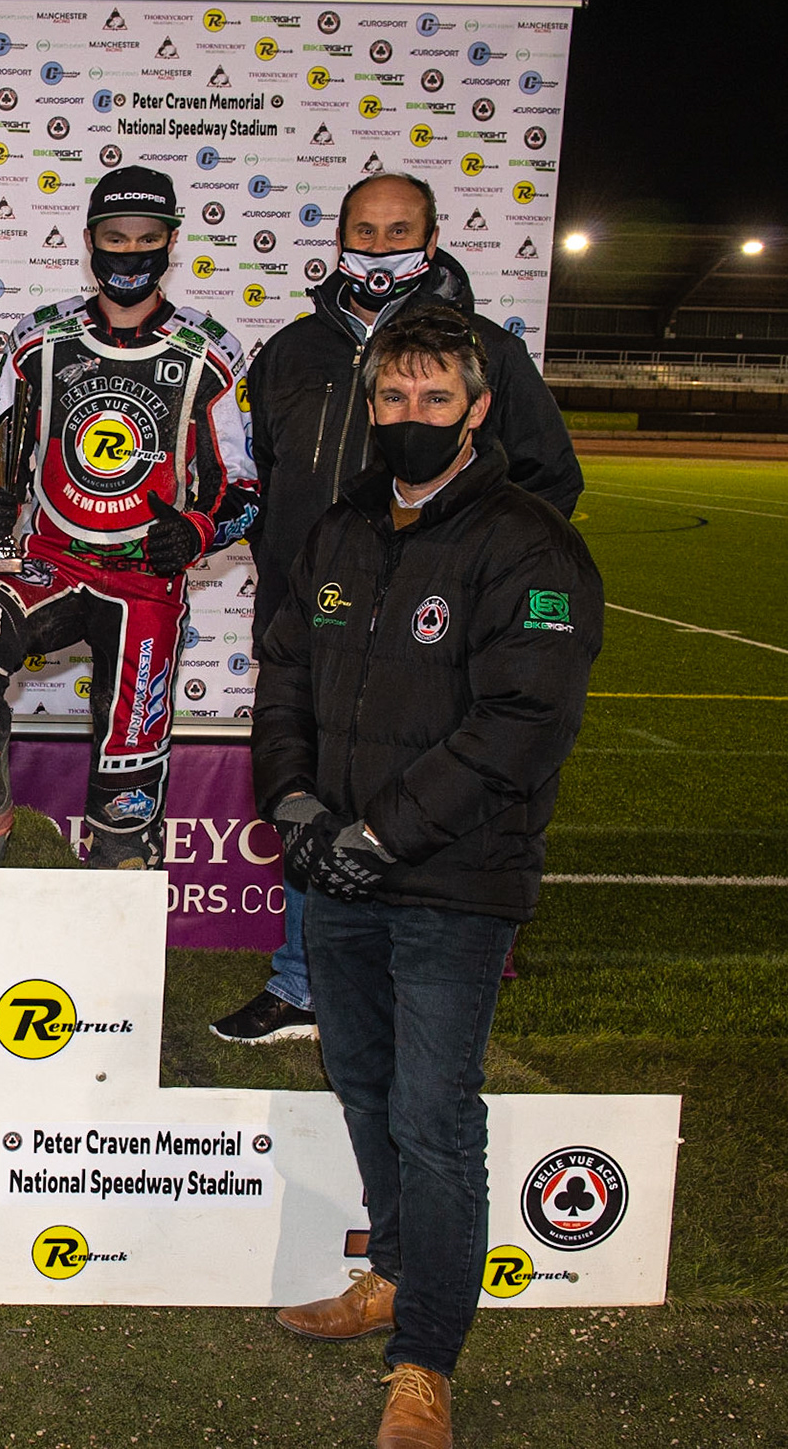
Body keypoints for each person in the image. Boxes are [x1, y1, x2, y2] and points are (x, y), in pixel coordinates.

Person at [252, 308, 600, 1448]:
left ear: (479, 407)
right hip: (342, 872)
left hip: (455, 879)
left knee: (436, 1118)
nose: (410, 419)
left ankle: (426, 1364)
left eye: (433, 399)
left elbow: (524, 724)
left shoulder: (529, 541)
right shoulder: (345, 527)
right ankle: (393, 1273)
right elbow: (289, 671)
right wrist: (295, 798)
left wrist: (384, 832)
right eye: (391, 400)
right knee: (360, 1082)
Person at [212, 170, 583, 1044]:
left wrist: (469, 567)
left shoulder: (487, 348)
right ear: (340, 238)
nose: (380, 247)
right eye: (365, 231)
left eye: (399, 229)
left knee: (423, 796)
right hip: (325, 617)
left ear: (433, 233)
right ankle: (303, 986)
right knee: (314, 795)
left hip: (434, 632)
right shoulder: (293, 351)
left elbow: (548, 480)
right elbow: (247, 478)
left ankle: (435, 978)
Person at [0, 168, 260, 868]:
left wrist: (197, 532)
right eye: (116, 238)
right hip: (50, 560)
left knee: (129, 757)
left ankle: (120, 872)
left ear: (172, 242)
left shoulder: (210, 353)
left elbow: (245, 489)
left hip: (146, 580)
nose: (131, 253)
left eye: (147, 239)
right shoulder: (37, 340)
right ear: (89, 242)